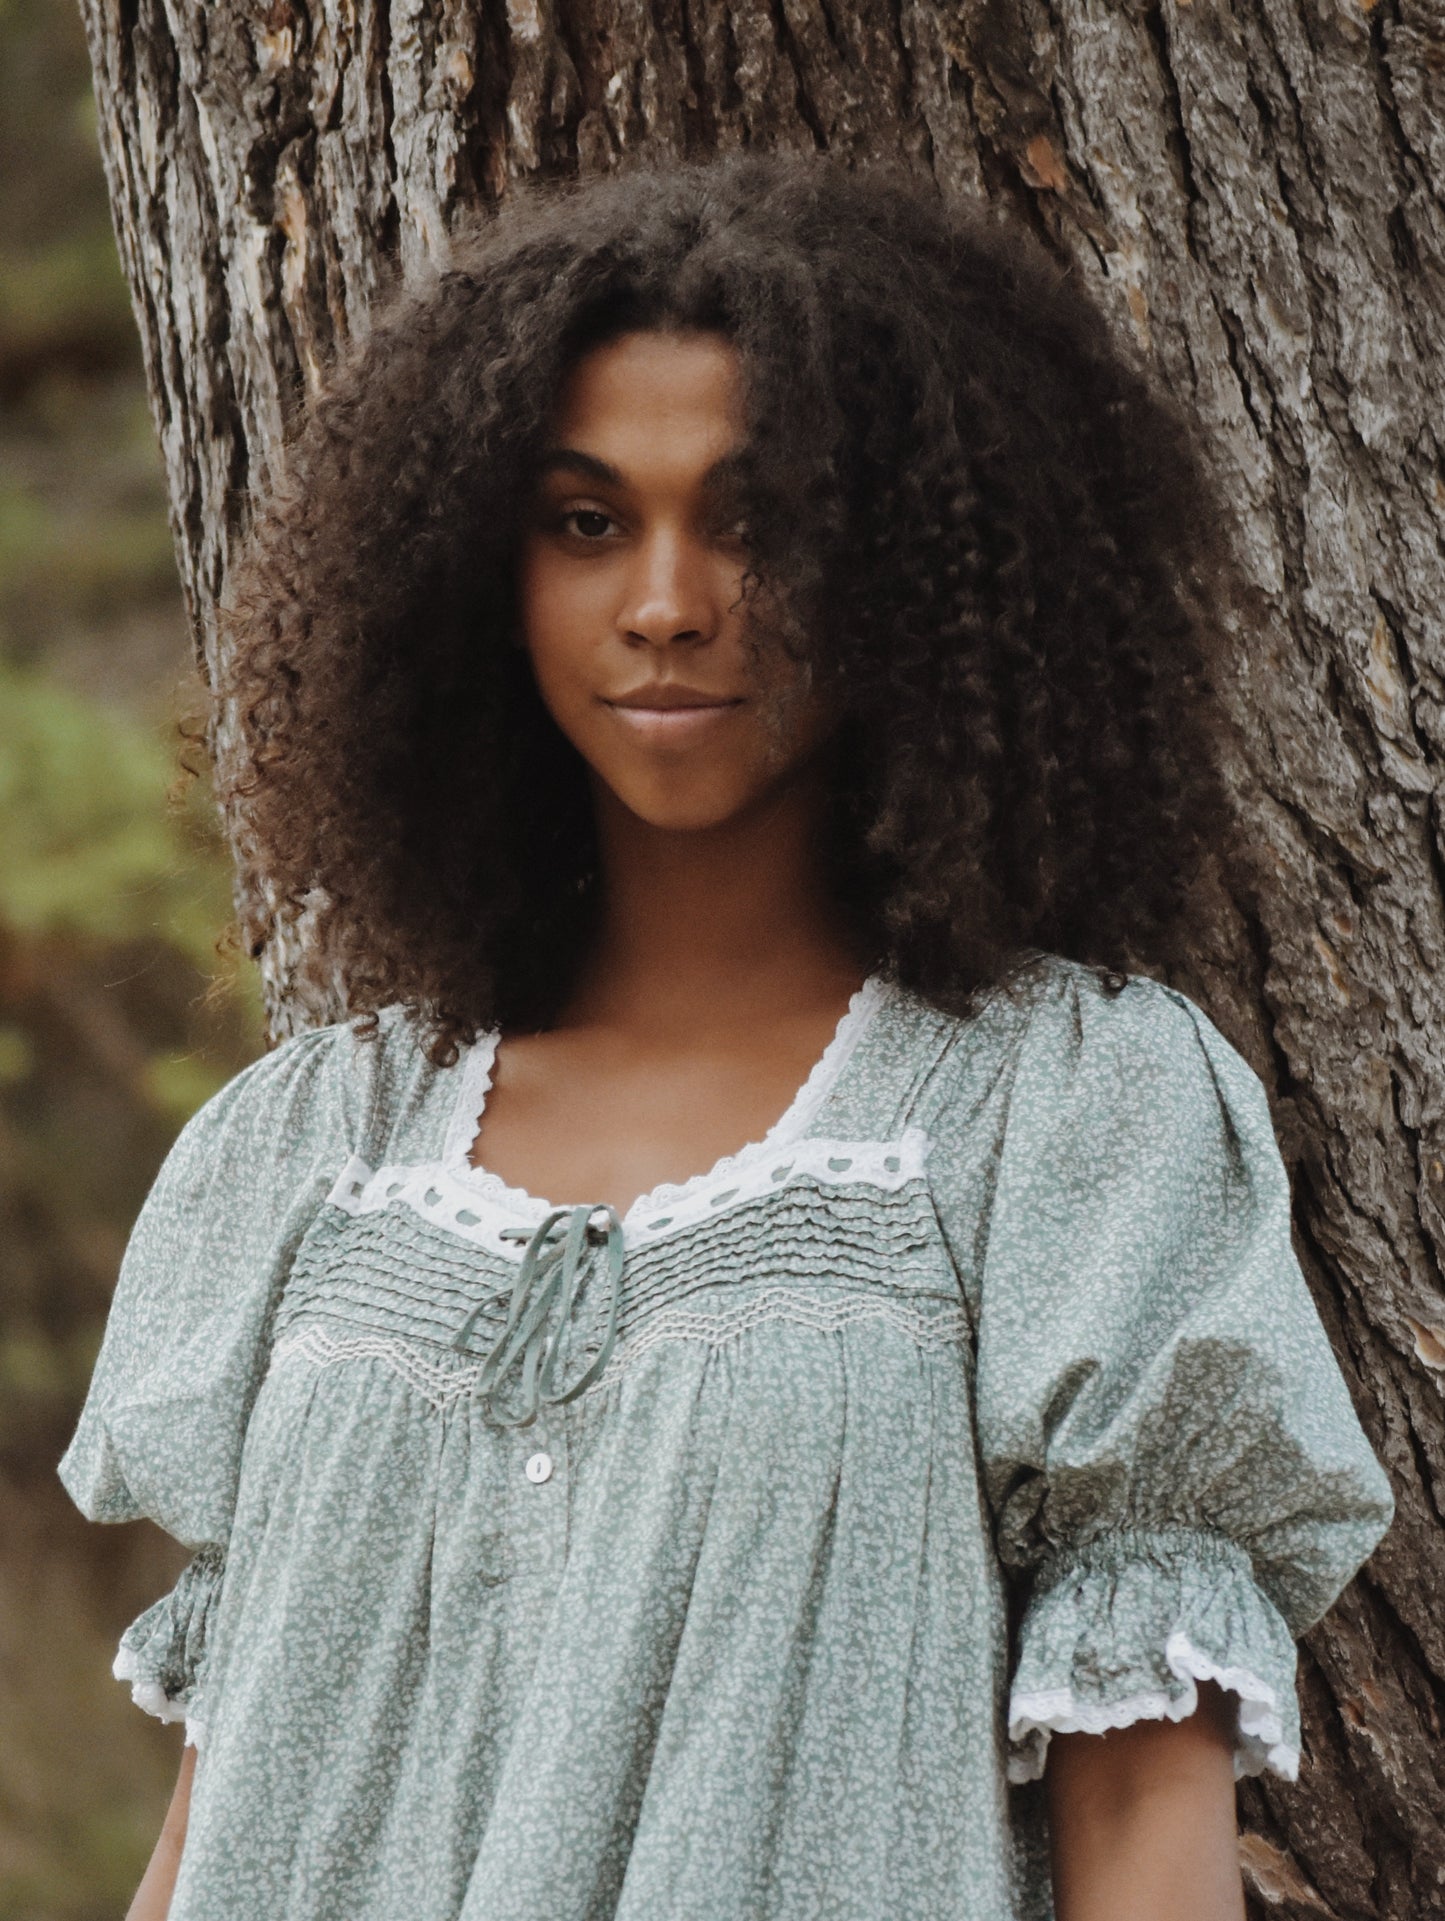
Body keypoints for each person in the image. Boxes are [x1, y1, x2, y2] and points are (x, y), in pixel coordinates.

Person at [58, 151, 1394, 1921]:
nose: (669, 601)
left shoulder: (1058, 1120)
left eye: (755, 519)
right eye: (587, 520)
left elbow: (1145, 1838)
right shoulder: (320, 1141)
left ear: (909, 569)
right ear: (477, 567)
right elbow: (212, 1836)